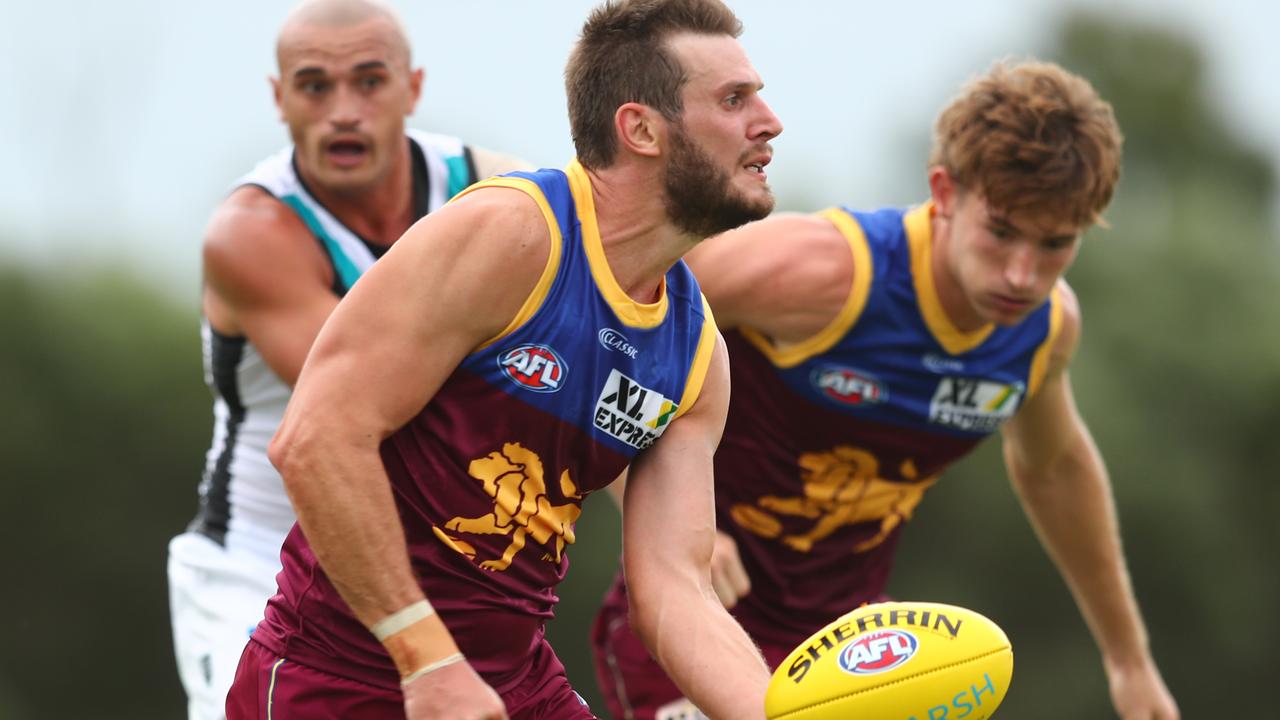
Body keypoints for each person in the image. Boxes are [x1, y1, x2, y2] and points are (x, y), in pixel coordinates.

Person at [223, 0, 784, 718]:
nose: (769, 122)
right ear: (641, 128)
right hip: (341, 677)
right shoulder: (512, 235)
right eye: (735, 100)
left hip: (512, 686)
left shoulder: (696, 351)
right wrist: (427, 662)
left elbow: (677, 589)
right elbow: (316, 440)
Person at [591, 60, 1181, 720]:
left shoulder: (1044, 330)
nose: (1022, 274)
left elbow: (1056, 470)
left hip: (857, 661)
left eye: (1055, 244)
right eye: (1003, 232)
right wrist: (663, 518)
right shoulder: (817, 272)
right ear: (946, 191)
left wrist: (1129, 660)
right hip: (693, 627)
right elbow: (612, 327)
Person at [165, 2, 529, 718]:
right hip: (261, 566)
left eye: (369, 81)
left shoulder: (494, 192)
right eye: (314, 86)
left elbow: (610, 329)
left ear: (412, 87)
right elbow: (374, 414)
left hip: (423, 560)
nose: (343, 111)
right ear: (279, 98)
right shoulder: (253, 233)